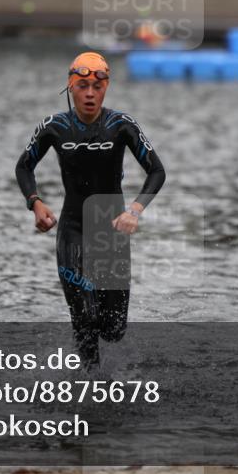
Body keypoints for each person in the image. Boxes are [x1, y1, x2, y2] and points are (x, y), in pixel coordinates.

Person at [15, 52, 166, 368]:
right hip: (72, 229)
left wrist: (134, 211)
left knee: (113, 330)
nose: (89, 94)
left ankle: (94, 384)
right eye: (82, 86)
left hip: (111, 231)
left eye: (97, 87)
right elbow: (24, 167)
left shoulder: (120, 125)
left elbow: (157, 171)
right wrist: (35, 203)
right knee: (86, 314)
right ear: (71, 87)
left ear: (106, 88)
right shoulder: (54, 127)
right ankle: (89, 386)